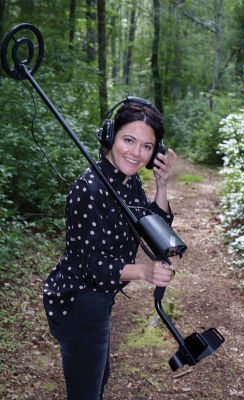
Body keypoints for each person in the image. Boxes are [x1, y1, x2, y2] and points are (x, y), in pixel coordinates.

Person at [43, 97, 177, 400]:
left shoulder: (127, 182)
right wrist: (144, 271)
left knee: (98, 378)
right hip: (79, 302)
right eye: (128, 140)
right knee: (87, 392)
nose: (136, 153)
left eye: (146, 146)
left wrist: (163, 185)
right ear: (110, 136)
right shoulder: (88, 189)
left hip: (100, 301)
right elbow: (93, 265)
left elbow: (153, 226)